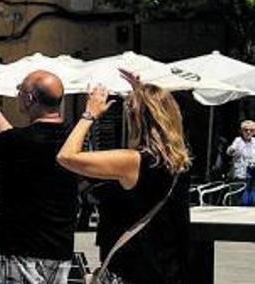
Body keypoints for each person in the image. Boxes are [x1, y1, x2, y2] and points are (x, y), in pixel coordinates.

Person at [57, 71, 191, 284]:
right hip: (167, 268)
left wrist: (89, 114)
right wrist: (142, 92)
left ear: (137, 120)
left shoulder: (132, 162)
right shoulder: (179, 162)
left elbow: (66, 156)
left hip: (133, 270)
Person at [0, 71, 77, 283]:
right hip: (58, 250)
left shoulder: (18, 142)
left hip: (17, 248)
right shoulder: (72, 141)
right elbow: (15, 142)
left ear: (30, 98)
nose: (17, 94)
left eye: (20, 90)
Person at [227, 120, 255, 205]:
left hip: (252, 177)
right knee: (238, 202)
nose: (248, 132)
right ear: (241, 131)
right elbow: (230, 150)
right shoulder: (238, 141)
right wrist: (231, 150)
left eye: (251, 130)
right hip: (239, 176)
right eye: (246, 130)